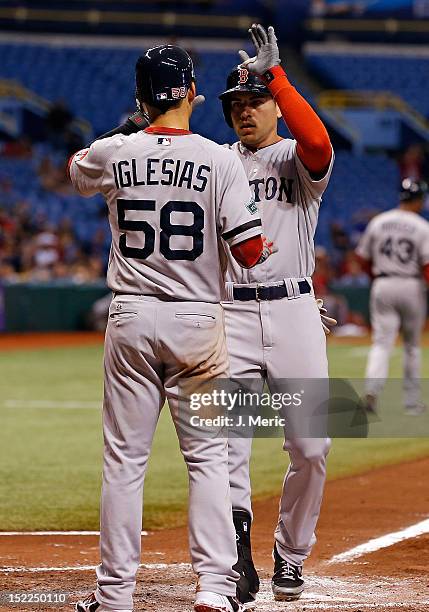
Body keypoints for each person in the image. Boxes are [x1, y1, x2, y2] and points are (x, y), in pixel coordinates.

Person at [69, 44, 276, 612]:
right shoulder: (220, 159)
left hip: (131, 315)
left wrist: (134, 124)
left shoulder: (114, 152)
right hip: (197, 320)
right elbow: (251, 251)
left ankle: (114, 596)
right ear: (190, 92)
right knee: (208, 459)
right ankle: (213, 588)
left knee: (124, 462)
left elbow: (75, 170)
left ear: (141, 98)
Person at [218, 24, 334, 606]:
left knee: (311, 446)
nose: (244, 112)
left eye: (254, 102)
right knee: (229, 442)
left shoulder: (294, 157)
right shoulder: (213, 164)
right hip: (229, 316)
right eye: (235, 104)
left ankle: (291, 554)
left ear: (276, 110)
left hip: (293, 310)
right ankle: (236, 555)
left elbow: (320, 145)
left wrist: (279, 80)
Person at [356, 178, 429, 416]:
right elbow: (427, 266)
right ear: (418, 200)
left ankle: (372, 391)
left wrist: (376, 279)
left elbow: (363, 258)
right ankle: (410, 402)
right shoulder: (422, 226)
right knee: (411, 347)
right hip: (411, 285)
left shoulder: (379, 222)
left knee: (381, 342)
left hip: (383, 283)